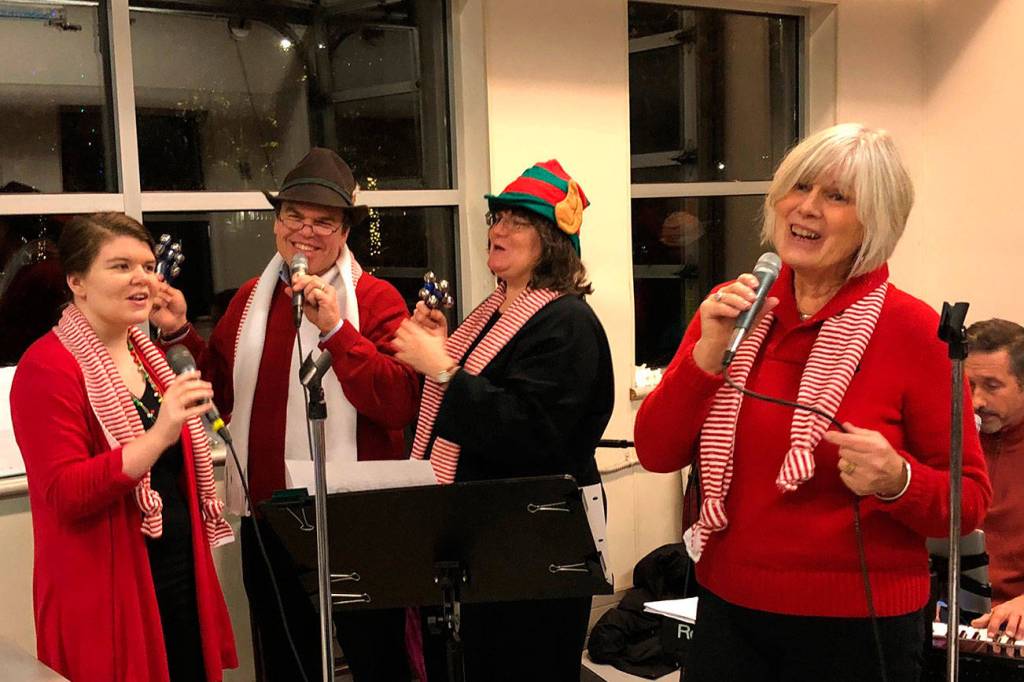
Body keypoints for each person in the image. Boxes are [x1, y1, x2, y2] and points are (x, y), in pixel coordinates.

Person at [634, 123, 992, 681]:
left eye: (837, 196)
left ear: (875, 223)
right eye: (799, 187)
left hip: (858, 625)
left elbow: (968, 501)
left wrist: (898, 480)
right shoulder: (733, 310)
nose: (807, 208)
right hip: (730, 610)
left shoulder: (915, 330)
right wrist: (706, 354)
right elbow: (656, 451)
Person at [149, 148, 421, 681]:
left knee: (375, 654)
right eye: (294, 216)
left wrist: (339, 332)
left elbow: (398, 402)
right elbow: (220, 397)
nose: (306, 232)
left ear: (345, 233)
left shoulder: (377, 298)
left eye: (324, 222)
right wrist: (180, 332)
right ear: (276, 225)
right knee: (283, 653)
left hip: (357, 515)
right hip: (270, 512)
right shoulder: (250, 299)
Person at [394, 159, 615, 681]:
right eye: (496, 218)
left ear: (552, 240)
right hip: (490, 539)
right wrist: (447, 344)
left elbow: (534, 433)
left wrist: (443, 369)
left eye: (517, 221)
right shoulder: (492, 311)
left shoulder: (568, 322)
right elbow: (488, 391)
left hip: (537, 543)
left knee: (526, 665)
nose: (497, 229)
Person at [10, 212, 237, 682]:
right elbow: (65, 494)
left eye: (147, 265)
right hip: (107, 588)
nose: (143, 279)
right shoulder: (47, 368)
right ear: (76, 281)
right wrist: (159, 435)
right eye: (120, 266)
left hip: (176, 578)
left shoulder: (149, 353)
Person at [965, 319, 1024, 640]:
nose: (976, 402)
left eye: (992, 385)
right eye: (968, 385)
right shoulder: (950, 440)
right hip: (950, 619)